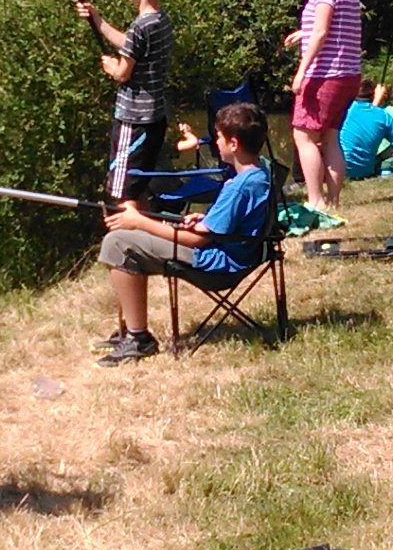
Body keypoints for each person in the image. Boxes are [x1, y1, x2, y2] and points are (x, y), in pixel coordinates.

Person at [92, 100, 275, 365]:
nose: (216, 142)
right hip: (234, 252)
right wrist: (205, 219)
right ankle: (131, 332)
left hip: (217, 264)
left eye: (219, 137)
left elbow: (197, 239)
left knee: (117, 242)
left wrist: (139, 221)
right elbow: (231, 221)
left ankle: (138, 338)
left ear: (234, 143)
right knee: (125, 242)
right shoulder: (259, 173)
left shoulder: (240, 186)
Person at [77, 0, 174, 201]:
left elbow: (123, 73)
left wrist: (112, 67)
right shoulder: (160, 20)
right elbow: (131, 45)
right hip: (155, 117)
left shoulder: (140, 26)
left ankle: (126, 227)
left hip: (134, 120)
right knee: (138, 188)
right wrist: (97, 20)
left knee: (122, 193)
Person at [282, 0, 365, 216]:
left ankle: (315, 200)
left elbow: (321, 32)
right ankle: (333, 201)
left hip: (325, 75)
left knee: (303, 135)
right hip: (349, 74)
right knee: (330, 136)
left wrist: (301, 71)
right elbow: (333, 27)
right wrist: (303, 33)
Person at [336, 91, 393, 181]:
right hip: (364, 170)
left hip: (337, 167)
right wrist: (380, 158)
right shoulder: (383, 115)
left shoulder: (342, 109)